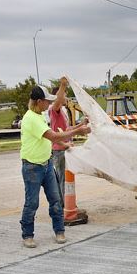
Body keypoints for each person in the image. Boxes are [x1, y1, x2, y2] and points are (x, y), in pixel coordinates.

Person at [20, 84, 91, 248]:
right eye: (47, 101)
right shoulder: (31, 118)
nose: (49, 104)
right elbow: (52, 135)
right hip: (32, 167)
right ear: (39, 102)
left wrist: (65, 144)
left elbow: (50, 137)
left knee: (56, 199)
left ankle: (59, 231)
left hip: (46, 164)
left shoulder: (40, 116)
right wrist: (77, 133)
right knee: (32, 203)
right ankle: (27, 235)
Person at [49, 77, 84, 207]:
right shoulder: (54, 110)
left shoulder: (63, 112)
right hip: (59, 150)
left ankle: (65, 205)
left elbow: (67, 129)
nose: (66, 97)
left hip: (65, 149)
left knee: (65, 178)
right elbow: (57, 100)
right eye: (64, 95)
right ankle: (64, 207)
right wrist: (62, 85)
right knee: (63, 180)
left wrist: (81, 127)